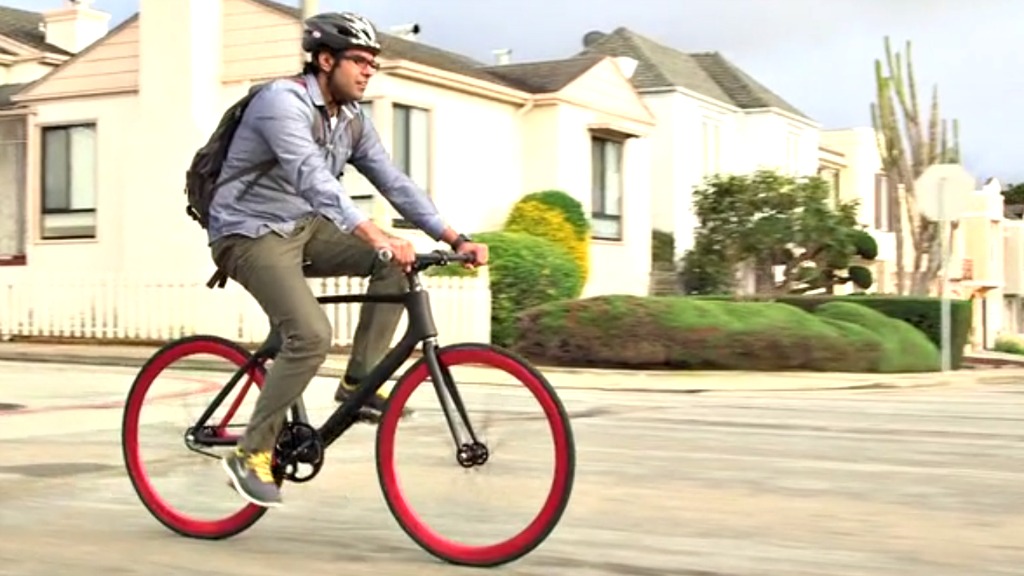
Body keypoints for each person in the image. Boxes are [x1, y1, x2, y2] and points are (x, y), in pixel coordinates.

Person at [206, 11, 489, 508]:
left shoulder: (352, 120)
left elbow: (393, 181)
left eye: (372, 64)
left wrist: (453, 236)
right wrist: (374, 233)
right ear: (325, 60)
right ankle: (250, 453)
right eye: (358, 61)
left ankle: (360, 378)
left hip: (303, 227)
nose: (367, 71)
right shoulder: (282, 102)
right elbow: (314, 179)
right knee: (311, 335)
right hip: (247, 232)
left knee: (395, 264)